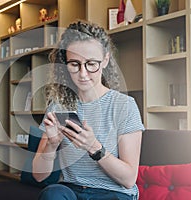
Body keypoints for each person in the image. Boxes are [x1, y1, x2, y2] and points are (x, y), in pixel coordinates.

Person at [32, 20, 144, 200]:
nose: (83, 74)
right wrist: (51, 145)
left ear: (105, 60)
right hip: (71, 189)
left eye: (91, 64)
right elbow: (39, 175)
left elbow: (129, 179)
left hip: (113, 193)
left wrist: (94, 147)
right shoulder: (58, 106)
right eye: (74, 64)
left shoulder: (124, 105)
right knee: (51, 194)